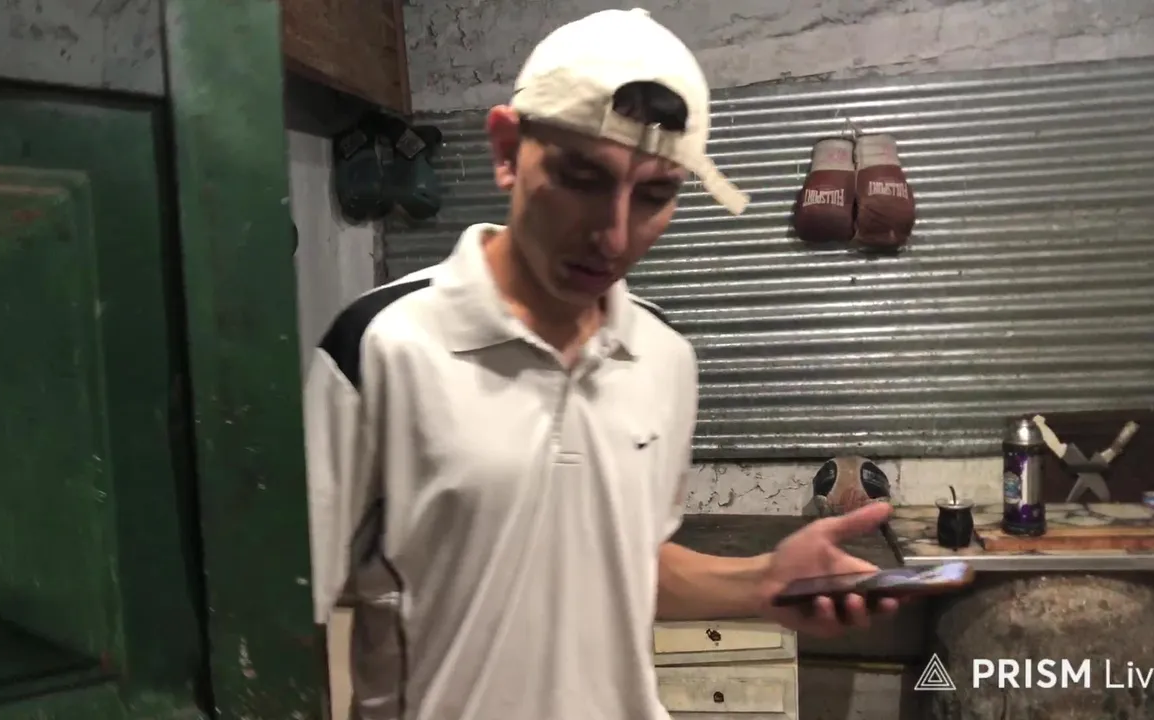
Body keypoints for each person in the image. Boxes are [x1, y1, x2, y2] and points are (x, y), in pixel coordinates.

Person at [304, 8, 898, 720]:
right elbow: (279, 620)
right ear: (507, 150)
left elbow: (622, 565)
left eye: (655, 195)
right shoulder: (378, 347)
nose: (614, 236)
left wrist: (762, 580)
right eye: (582, 178)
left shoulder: (663, 356)